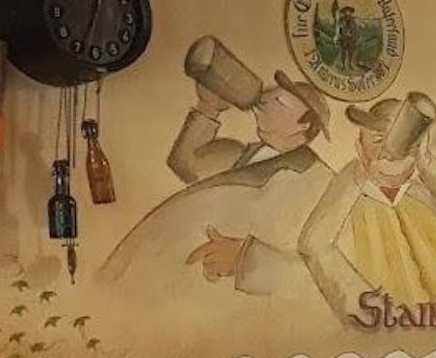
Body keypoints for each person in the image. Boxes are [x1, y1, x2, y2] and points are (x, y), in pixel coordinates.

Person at [101, 69, 333, 299]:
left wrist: (246, 260)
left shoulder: (318, 179)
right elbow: (185, 163)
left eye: (278, 101)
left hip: (225, 303)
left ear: (304, 124)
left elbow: (325, 270)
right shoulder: (239, 154)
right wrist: (209, 106)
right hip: (161, 281)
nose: (263, 100)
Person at [298, 92, 436, 323]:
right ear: (360, 149)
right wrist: (357, 297)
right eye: (378, 141)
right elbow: (312, 243)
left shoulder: (423, 190)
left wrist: (426, 162)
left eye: (401, 145)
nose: (388, 156)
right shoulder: (350, 187)